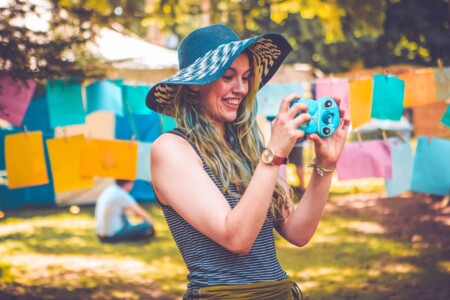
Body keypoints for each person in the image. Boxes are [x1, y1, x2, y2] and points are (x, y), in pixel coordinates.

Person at [147, 24, 350, 299]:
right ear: (195, 84)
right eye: (228, 77)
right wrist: (273, 155)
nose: (241, 89)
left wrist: (325, 165)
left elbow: (298, 231)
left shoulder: (253, 146)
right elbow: (237, 238)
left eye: (246, 77)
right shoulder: (171, 148)